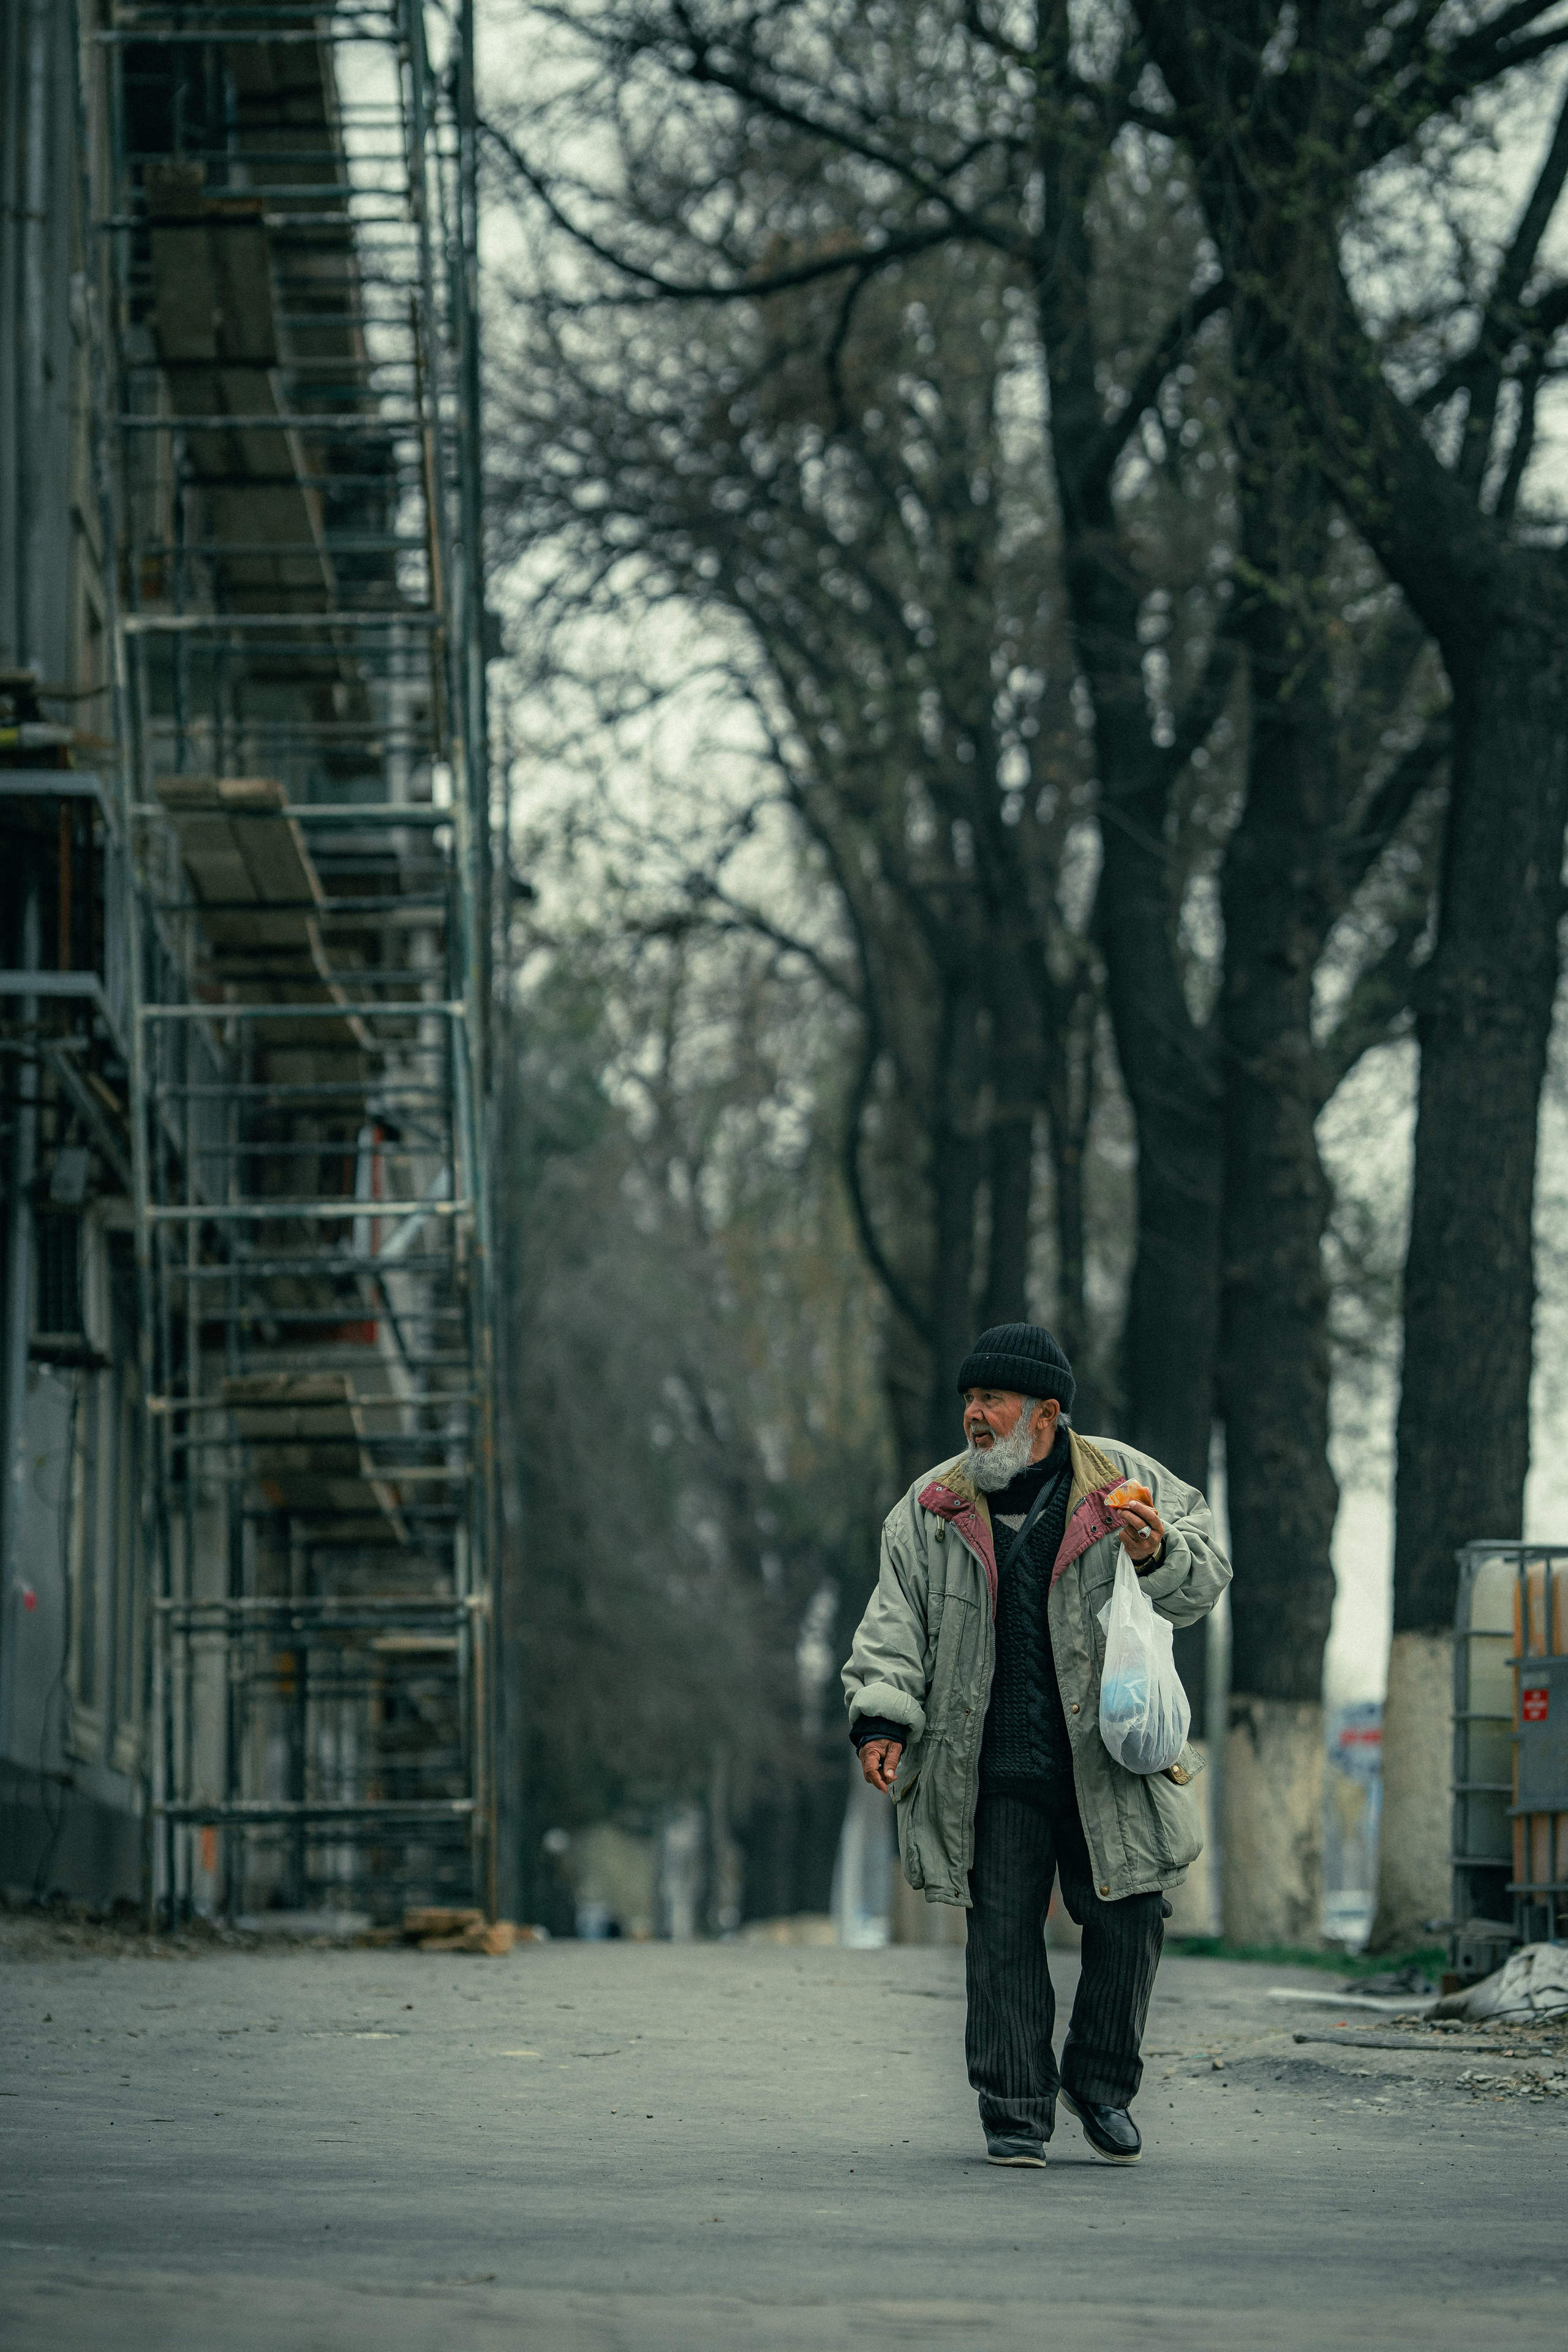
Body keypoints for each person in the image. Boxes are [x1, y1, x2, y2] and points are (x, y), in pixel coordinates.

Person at [842, 1322, 1231, 2168]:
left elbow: (1204, 1581)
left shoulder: (1123, 1482)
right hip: (991, 1768)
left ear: (1047, 1413)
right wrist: (882, 1720)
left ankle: (1099, 2083)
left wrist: (1156, 1550)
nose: (975, 1415)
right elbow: (892, 1625)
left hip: (1111, 1760)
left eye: (994, 1400)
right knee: (1003, 1940)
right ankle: (1016, 2106)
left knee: (1132, 1917)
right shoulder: (931, 1506)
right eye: (970, 1400)